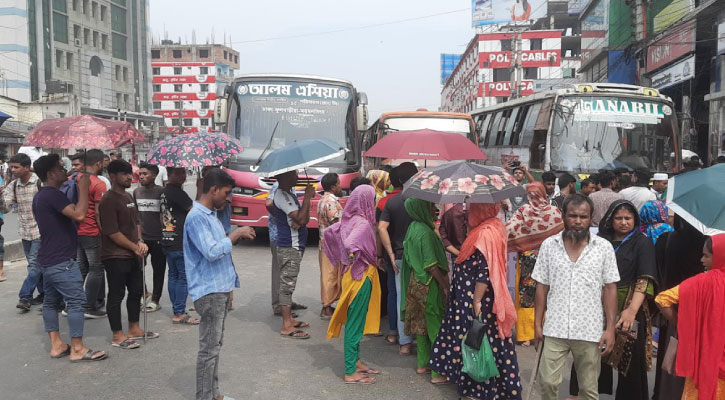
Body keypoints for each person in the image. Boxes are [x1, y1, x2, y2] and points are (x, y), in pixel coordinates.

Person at [430, 202, 522, 398]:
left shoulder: (485, 233)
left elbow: (484, 271)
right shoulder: (490, 227)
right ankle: (488, 389)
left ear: (482, 209)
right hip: (471, 298)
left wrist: (477, 300)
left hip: (476, 300)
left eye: (472, 208)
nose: (467, 212)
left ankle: (478, 391)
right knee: (481, 341)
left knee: (477, 343)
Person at [533, 194, 620, 400]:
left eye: (583, 216)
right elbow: (541, 286)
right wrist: (537, 324)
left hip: (589, 330)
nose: (578, 221)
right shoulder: (549, 246)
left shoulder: (603, 248)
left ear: (591, 218)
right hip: (555, 327)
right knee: (547, 382)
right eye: (573, 216)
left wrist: (610, 329)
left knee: (589, 389)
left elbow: (610, 288)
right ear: (563, 216)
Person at [571, 199, 658, 399]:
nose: (624, 222)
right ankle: (584, 394)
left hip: (630, 304)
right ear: (611, 220)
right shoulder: (599, 240)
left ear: (635, 219)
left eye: (628, 218)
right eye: (618, 218)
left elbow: (645, 280)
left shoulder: (642, 242)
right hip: (596, 304)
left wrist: (631, 311)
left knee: (630, 361)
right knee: (590, 352)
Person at [184, 168, 255, 400]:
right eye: (226, 193)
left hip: (219, 289)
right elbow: (212, 251)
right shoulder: (196, 217)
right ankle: (205, 397)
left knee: (214, 346)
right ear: (213, 189)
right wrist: (235, 235)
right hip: (210, 291)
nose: (228, 198)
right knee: (209, 350)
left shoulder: (210, 215)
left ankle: (214, 395)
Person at [32, 154, 107, 362]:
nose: (65, 170)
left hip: (48, 257)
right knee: (75, 302)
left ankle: (57, 345)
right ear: (50, 173)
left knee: (51, 301)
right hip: (61, 259)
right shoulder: (51, 195)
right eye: (60, 167)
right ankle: (77, 348)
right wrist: (84, 188)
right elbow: (80, 215)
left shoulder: (42, 195)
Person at [324, 185, 382, 385]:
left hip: (350, 274)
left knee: (355, 320)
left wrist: (344, 257)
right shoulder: (363, 224)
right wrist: (362, 254)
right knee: (355, 324)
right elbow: (350, 244)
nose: (374, 203)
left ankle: (356, 362)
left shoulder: (347, 219)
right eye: (373, 199)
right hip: (360, 276)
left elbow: (330, 232)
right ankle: (350, 371)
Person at [656, 235, 725, 400]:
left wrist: (682, 324)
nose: (702, 259)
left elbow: (662, 299)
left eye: (707, 255)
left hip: (704, 359)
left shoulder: (701, 282)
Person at [99, 160, 156, 349]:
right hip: (115, 255)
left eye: (130, 173)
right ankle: (117, 335)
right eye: (124, 174)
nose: (130, 177)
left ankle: (134, 328)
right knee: (116, 295)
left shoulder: (129, 196)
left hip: (134, 254)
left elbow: (136, 223)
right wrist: (133, 247)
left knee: (136, 292)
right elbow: (112, 232)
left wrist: (139, 242)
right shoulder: (108, 200)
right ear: (113, 176)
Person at [652, 216, 705, 400]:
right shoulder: (708, 243)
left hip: (673, 307)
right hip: (700, 310)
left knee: (671, 357)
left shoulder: (669, 239)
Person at [506, 182, 563, 346]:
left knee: (526, 296)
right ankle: (546, 329)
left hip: (527, 260)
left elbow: (509, 229)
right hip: (550, 260)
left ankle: (525, 336)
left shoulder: (523, 211)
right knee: (547, 293)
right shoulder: (554, 212)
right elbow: (562, 233)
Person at [400, 197, 449, 383]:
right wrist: (445, 286)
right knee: (435, 326)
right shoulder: (426, 233)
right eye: (430, 205)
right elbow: (431, 265)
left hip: (415, 282)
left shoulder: (413, 227)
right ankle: (437, 373)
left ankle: (423, 364)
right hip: (429, 284)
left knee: (421, 326)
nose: (434, 208)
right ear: (421, 208)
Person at [378, 162, 418, 354]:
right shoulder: (420, 201)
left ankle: (402, 339)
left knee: (398, 295)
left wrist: (389, 254)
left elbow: (380, 228)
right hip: (418, 257)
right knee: (418, 297)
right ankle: (416, 337)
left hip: (397, 256)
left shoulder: (389, 202)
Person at [271, 169, 315, 339]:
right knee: (287, 286)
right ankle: (286, 324)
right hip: (290, 246)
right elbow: (303, 219)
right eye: (294, 174)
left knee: (289, 284)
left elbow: (302, 219)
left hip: (294, 245)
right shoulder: (282, 195)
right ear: (285, 176)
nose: (297, 177)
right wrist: (308, 197)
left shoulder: (288, 194)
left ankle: (289, 319)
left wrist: (297, 220)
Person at [1, 153, 43, 311]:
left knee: (34, 264)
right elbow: (6, 208)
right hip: (24, 231)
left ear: (26, 167)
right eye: (11, 167)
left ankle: (25, 296)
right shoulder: (13, 185)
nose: (13, 170)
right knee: (35, 266)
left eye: (16, 167)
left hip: (41, 231)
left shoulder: (39, 182)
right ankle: (44, 293)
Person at [161, 167, 199, 325]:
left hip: (167, 238)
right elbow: (194, 211)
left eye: (184, 172)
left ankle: (177, 309)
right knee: (182, 277)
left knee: (173, 275)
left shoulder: (164, 192)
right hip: (178, 240)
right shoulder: (177, 193)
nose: (182, 176)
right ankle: (179, 312)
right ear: (169, 174)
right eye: (178, 173)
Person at [77, 149, 110, 319]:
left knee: (82, 268)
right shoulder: (98, 183)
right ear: (98, 163)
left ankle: (73, 303)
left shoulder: (73, 178)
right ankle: (89, 305)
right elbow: (98, 212)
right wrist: (105, 232)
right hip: (91, 230)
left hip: (76, 229)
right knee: (96, 268)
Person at [133, 162, 166, 312]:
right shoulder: (137, 192)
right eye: (140, 174)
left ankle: (155, 300)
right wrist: (139, 239)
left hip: (159, 238)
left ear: (154, 175)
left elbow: (165, 216)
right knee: (137, 267)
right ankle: (143, 293)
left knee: (158, 270)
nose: (142, 177)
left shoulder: (162, 192)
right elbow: (136, 218)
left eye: (145, 174)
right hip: (142, 238)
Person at [317, 172, 343, 320]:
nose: (340, 186)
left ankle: (327, 305)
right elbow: (336, 224)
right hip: (331, 246)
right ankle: (326, 307)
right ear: (333, 186)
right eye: (339, 183)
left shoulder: (323, 200)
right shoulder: (330, 202)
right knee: (330, 276)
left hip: (325, 244)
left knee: (329, 275)